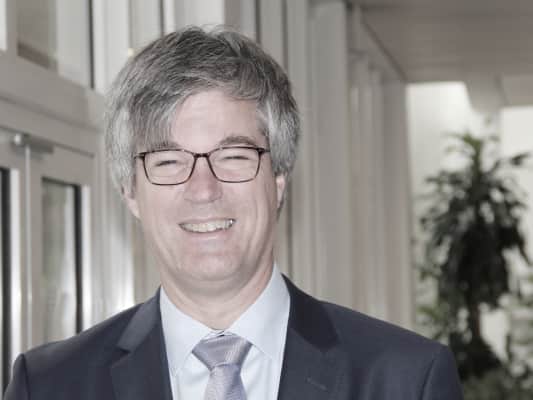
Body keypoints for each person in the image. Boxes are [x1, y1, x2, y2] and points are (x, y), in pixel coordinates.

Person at [4, 26, 463, 400]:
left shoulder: (406, 380)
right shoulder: (47, 386)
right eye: (168, 161)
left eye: (234, 156)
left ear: (278, 178)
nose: (204, 189)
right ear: (130, 192)